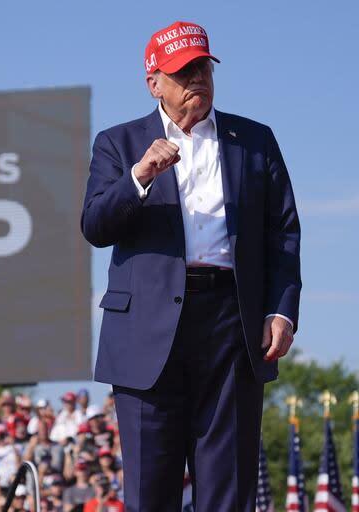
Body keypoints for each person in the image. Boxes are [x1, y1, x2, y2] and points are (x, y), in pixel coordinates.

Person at [80, 20, 301, 511]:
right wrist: (139, 177)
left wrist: (282, 312)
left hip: (233, 328)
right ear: (154, 82)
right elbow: (94, 226)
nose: (197, 78)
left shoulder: (255, 141)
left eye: (202, 66)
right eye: (183, 71)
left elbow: (283, 233)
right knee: (150, 491)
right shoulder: (118, 143)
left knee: (229, 490)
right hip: (145, 332)